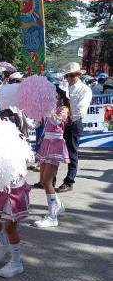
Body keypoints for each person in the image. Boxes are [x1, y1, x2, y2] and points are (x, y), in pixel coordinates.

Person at [0, 109, 31, 278]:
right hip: (0, 188)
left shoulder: (20, 143)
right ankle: (2, 244)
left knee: (11, 226)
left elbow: (28, 162)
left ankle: (17, 263)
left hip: (15, 190)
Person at [33, 86, 72, 228]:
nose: (51, 97)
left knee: (48, 182)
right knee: (43, 181)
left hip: (56, 144)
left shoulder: (64, 109)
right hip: (46, 143)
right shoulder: (50, 108)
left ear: (60, 95)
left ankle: (52, 217)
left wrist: (48, 109)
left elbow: (57, 121)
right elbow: (38, 123)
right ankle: (58, 205)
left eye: (53, 94)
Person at [59, 61, 93, 192]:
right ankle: (50, 179)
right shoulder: (65, 88)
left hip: (73, 123)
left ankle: (69, 181)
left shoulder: (85, 89)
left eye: (72, 75)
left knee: (72, 152)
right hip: (62, 122)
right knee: (56, 152)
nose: (69, 78)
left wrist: (64, 115)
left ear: (78, 75)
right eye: (67, 76)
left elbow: (80, 109)